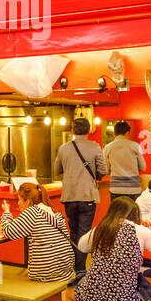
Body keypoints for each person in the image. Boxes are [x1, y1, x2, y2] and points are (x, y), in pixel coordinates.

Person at [74, 197, 151, 301]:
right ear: (135, 214)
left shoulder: (101, 228)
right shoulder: (139, 230)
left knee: (77, 282)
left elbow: (82, 246)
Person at [55, 118, 105, 277]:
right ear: (89, 130)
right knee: (84, 233)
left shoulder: (63, 148)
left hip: (69, 196)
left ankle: (74, 265)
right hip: (87, 196)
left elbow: (57, 168)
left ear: (72, 130)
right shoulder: (95, 147)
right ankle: (81, 269)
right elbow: (103, 170)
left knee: (73, 232)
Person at [2, 182, 75, 282]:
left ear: (27, 201)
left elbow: (8, 232)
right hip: (65, 269)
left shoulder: (31, 212)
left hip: (46, 272)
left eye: (19, 200)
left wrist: (6, 212)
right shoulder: (50, 210)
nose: (18, 203)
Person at [103, 120, 146, 205]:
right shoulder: (135, 146)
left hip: (116, 189)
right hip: (134, 189)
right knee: (133, 216)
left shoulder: (108, 147)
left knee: (117, 216)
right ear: (127, 132)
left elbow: (106, 170)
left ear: (114, 134)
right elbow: (143, 167)